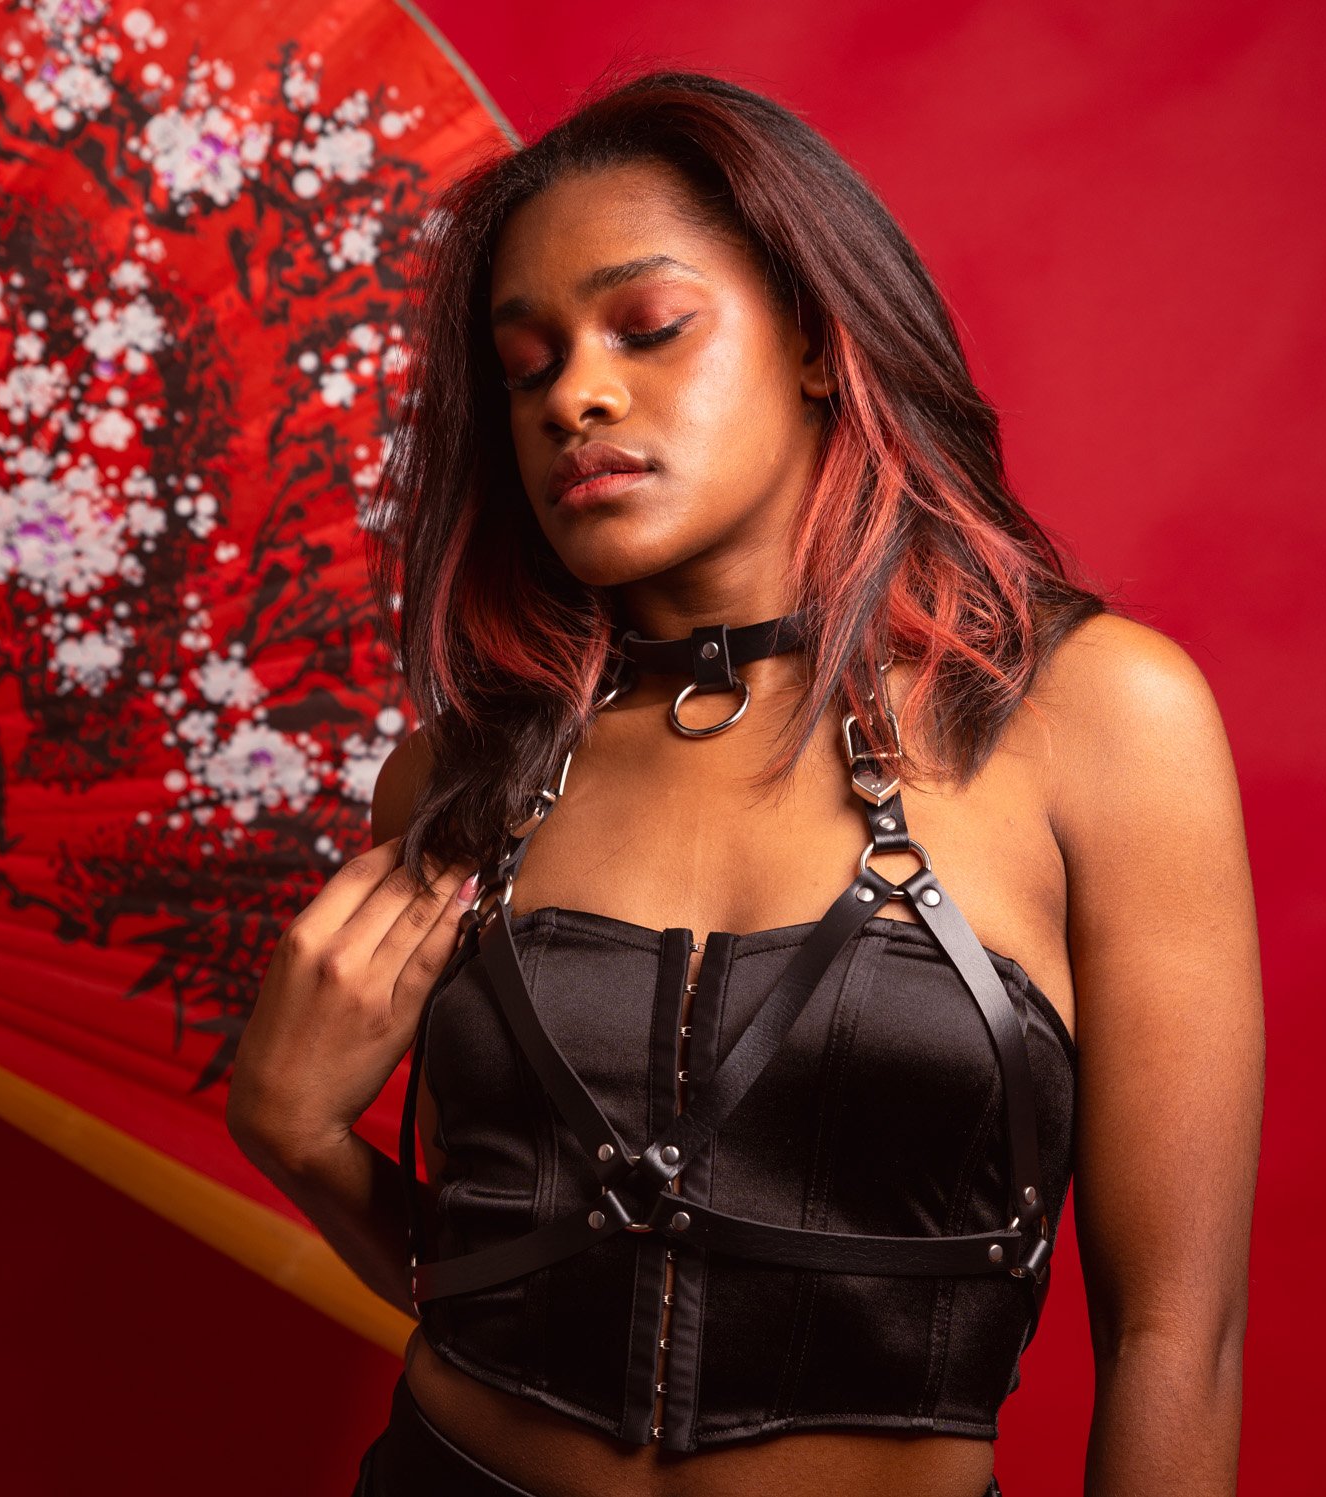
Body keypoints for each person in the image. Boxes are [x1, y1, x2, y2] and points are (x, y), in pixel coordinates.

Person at [228, 68, 1262, 1497]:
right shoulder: (459, 777)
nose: (575, 393)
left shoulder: (1091, 718)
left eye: (646, 327)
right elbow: (498, 1283)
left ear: (818, 344)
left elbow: (1173, 1335)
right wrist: (288, 1134)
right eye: (525, 367)